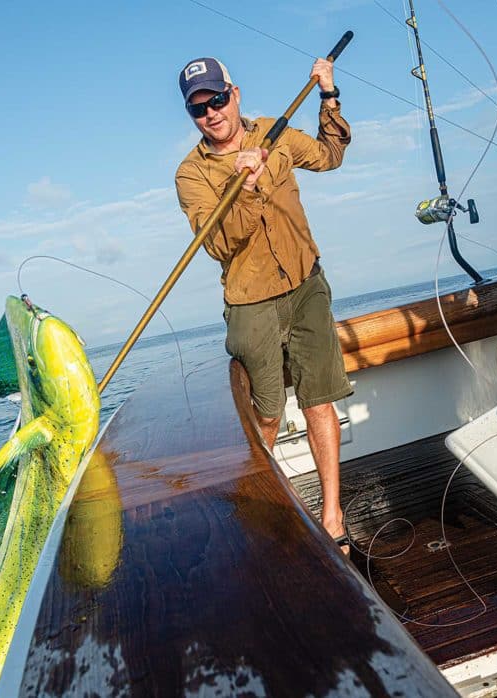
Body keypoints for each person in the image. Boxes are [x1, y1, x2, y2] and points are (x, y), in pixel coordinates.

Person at [174, 56, 353, 551]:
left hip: (306, 285)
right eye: (198, 108)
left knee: (320, 399)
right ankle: (256, 515)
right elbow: (219, 243)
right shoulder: (191, 174)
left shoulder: (275, 130)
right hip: (251, 302)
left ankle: (333, 517)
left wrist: (328, 95)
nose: (211, 113)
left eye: (216, 99)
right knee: (268, 414)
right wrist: (245, 187)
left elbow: (329, 155)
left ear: (234, 93)